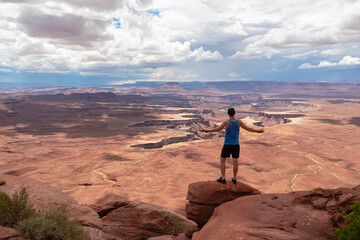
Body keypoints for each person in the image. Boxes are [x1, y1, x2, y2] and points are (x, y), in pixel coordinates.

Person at [200, 108, 264, 184]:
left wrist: (206, 131)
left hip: (227, 144)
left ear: (228, 113)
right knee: (235, 162)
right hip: (236, 145)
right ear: (234, 113)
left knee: (222, 160)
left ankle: (223, 178)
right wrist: (258, 131)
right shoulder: (239, 122)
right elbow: (248, 129)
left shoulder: (226, 122)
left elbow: (216, 129)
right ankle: (234, 178)